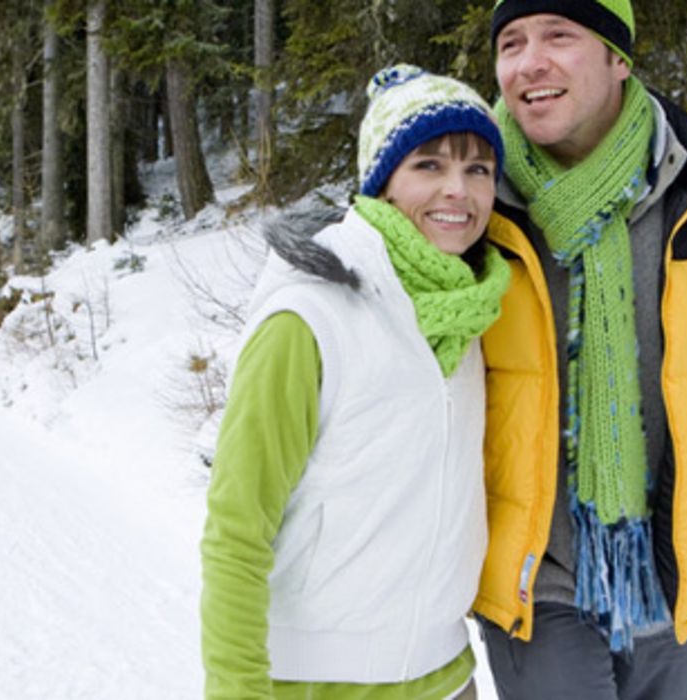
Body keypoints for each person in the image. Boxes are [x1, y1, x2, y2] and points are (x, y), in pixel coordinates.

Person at [472, 1, 687, 698]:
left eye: (558, 35)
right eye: (510, 42)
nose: (529, 62)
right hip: (532, 569)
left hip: (665, 554)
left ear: (618, 58)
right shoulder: (472, 202)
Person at [201, 64, 519, 699]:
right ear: (383, 182)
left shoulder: (471, 312)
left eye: (478, 169)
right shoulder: (308, 318)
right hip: (314, 683)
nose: (458, 190)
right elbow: (235, 530)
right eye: (429, 166)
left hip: (447, 676)